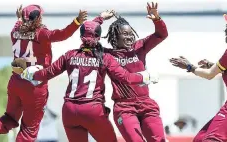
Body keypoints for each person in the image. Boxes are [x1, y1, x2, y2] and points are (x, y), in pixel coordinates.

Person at [20, 13, 156, 142]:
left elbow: (48, 73)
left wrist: (31, 74)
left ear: (81, 36)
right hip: (93, 110)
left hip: (69, 111)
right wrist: (144, 77)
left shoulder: (70, 55)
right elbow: (125, 77)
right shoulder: (104, 57)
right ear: (98, 37)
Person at [0, 4, 87, 142]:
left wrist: (19, 18)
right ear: (38, 19)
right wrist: (77, 22)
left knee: (10, 117)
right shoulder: (41, 33)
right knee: (29, 129)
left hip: (15, 81)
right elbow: (62, 34)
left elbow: (19, 24)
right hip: (34, 85)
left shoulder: (14, 30)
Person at [170, 14, 227, 142]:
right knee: (200, 139)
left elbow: (209, 75)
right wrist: (212, 65)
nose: (224, 31)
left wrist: (189, 67)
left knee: (212, 139)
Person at [103, 2, 168, 142]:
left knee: (159, 140)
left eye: (131, 33)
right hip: (124, 107)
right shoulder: (107, 55)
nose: (130, 37)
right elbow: (89, 38)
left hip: (146, 104)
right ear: (115, 37)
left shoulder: (139, 47)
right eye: (125, 34)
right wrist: (100, 18)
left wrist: (157, 19)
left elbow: (161, 34)